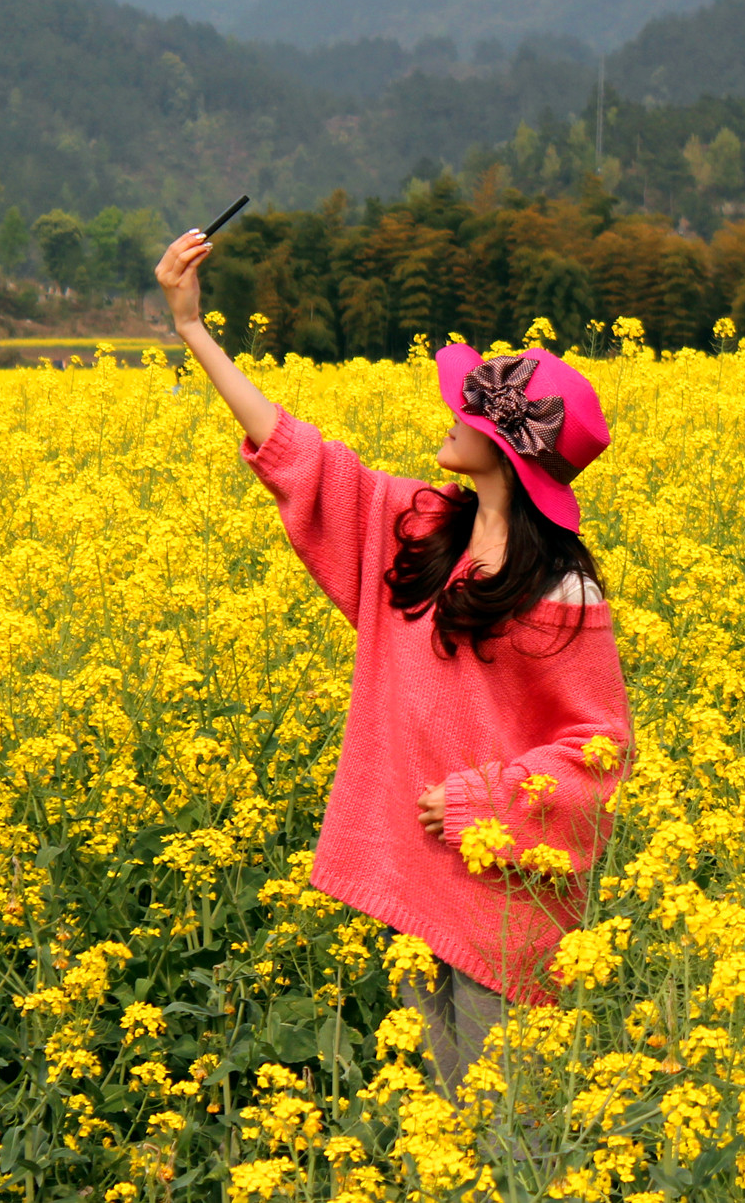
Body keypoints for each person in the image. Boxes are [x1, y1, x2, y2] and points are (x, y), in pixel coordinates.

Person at [154, 228, 633, 1095]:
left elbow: (598, 752)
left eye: (473, 412)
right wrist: (193, 328)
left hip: (504, 910)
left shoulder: (562, 595)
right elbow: (301, 459)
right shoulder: (417, 529)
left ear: (512, 450)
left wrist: (482, 802)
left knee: (507, 1136)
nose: (453, 413)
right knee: (429, 1126)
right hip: (415, 884)